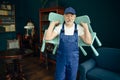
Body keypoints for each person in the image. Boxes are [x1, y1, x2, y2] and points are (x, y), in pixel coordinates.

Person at [45, 7, 92, 80]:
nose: (69, 18)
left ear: (75, 17)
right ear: (64, 16)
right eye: (67, 15)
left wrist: (86, 27)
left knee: (72, 78)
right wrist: (52, 24)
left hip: (73, 60)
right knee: (59, 78)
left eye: (71, 15)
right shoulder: (60, 27)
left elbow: (89, 42)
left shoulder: (78, 28)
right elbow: (47, 38)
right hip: (61, 59)